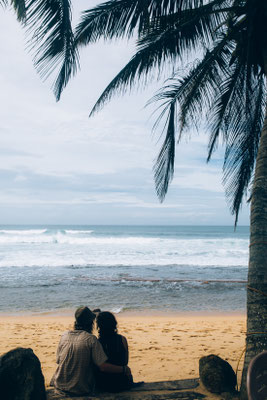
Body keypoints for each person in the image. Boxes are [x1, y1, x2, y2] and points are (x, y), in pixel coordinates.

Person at [50, 306, 131, 396]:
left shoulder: (64, 336)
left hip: (59, 386)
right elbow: (103, 366)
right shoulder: (91, 339)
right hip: (79, 389)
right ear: (91, 323)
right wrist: (125, 369)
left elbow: (58, 361)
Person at [96, 311, 134, 392]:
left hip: (104, 384)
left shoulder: (97, 343)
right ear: (114, 323)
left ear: (99, 326)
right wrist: (124, 369)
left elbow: (101, 367)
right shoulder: (122, 339)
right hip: (122, 382)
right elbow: (125, 361)